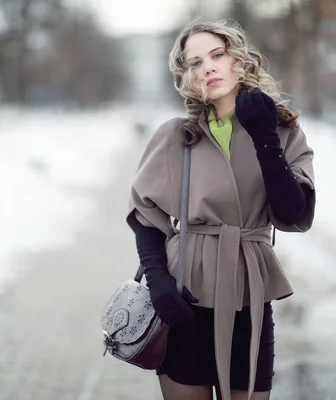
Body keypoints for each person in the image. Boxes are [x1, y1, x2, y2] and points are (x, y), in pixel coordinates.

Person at [126, 18, 316, 400]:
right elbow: (146, 215)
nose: (208, 67)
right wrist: (159, 281)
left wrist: (264, 137)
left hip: (249, 296)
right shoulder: (176, 136)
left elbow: (293, 212)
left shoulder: (282, 130)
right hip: (184, 297)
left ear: (238, 59)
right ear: (187, 76)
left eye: (217, 54)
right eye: (195, 63)